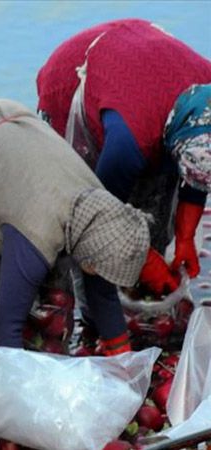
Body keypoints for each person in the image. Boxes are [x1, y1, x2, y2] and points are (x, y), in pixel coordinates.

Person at [0, 99, 150, 354]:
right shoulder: (36, 232)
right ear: (89, 263)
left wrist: (123, 360)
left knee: (36, 299)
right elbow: (6, 325)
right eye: (96, 270)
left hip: (14, 154)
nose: (96, 275)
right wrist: (21, 384)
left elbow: (102, 290)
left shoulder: (98, 213)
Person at [37, 19, 211, 297]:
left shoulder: (205, 99)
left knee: (154, 206)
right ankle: (96, 310)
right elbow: (94, 219)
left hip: (142, 66)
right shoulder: (128, 142)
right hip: (72, 77)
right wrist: (143, 260)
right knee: (81, 233)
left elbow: (200, 171)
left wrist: (186, 235)